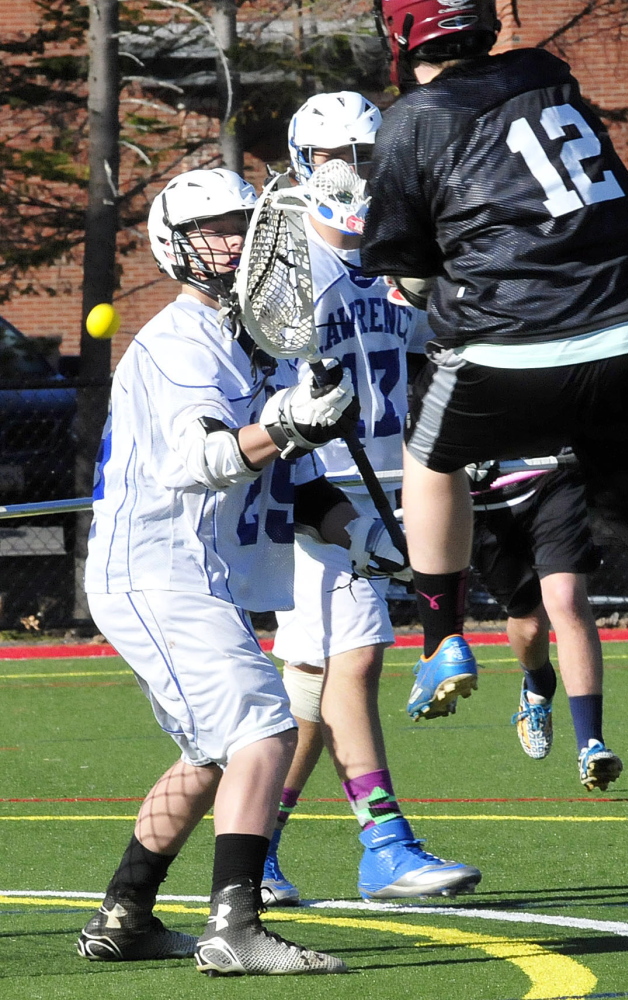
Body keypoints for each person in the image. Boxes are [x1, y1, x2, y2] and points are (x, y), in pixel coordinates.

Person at [360, 0, 628, 762]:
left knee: (431, 461)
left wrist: (423, 286)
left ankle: (441, 638)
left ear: (399, 36)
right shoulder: (548, 75)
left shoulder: (410, 120)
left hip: (508, 341)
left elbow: (405, 259)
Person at [76, 166, 398, 977]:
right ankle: (235, 927)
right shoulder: (181, 341)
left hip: (198, 570)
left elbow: (294, 476)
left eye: (240, 225)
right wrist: (286, 422)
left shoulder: (253, 338)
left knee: (212, 751)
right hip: (156, 570)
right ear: (172, 246)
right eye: (210, 229)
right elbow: (202, 460)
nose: (231, 241)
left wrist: (356, 532)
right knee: (265, 732)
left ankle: (126, 912)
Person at [259, 92, 481, 906]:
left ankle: (253, 847)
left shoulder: (394, 260)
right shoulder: (286, 273)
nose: (350, 171)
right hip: (323, 494)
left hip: (388, 488)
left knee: (315, 690)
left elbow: (434, 360)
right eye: (332, 156)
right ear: (300, 161)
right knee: (355, 660)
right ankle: (384, 844)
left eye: (365, 154)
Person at [468, 459, 622, 791]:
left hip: (550, 476)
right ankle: (537, 685)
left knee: (566, 599)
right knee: (530, 623)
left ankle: (590, 744)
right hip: (484, 495)